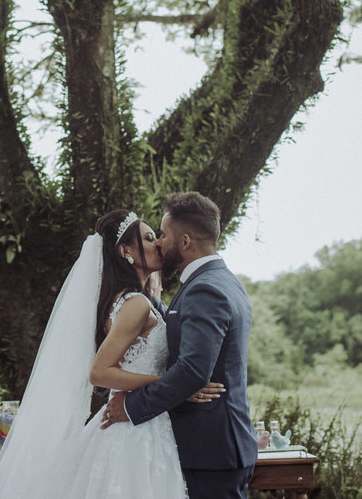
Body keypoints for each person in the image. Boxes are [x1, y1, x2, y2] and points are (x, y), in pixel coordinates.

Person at [0, 209, 222, 499]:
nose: (157, 243)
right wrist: (173, 384)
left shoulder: (132, 299)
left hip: (141, 421)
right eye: (148, 238)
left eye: (156, 237)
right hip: (134, 433)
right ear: (125, 251)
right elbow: (99, 372)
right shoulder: (135, 304)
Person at [103, 191, 258, 499]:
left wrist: (131, 407)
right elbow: (174, 325)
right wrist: (144, 292)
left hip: (210, 450)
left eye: (163, 235)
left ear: (185, 242)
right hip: (214, 448)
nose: (159, 243)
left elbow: (192, 371)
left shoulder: (205, 289)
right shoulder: (220, 281)